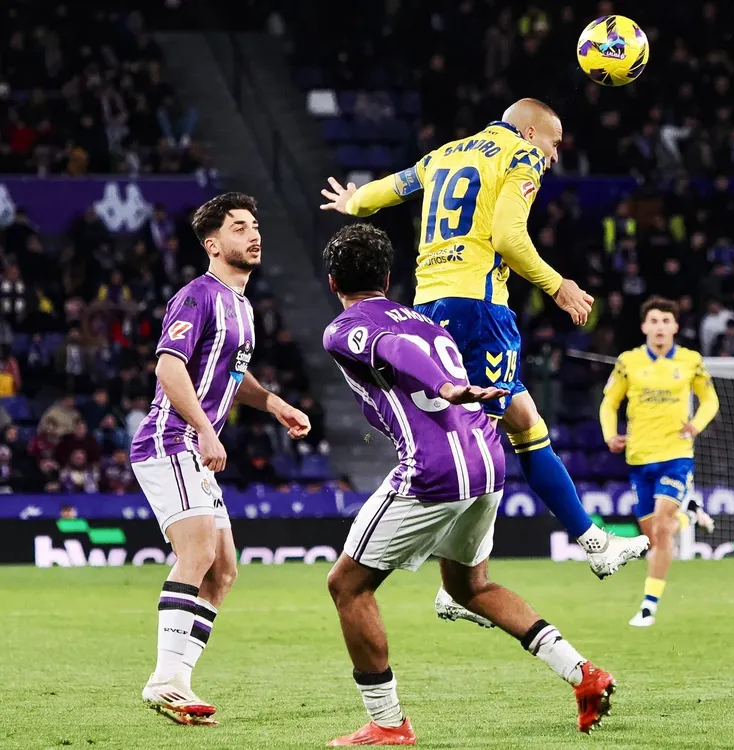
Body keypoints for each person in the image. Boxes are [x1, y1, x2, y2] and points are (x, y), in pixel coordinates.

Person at [319, 98, 649, 602]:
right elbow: (509, 237)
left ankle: (585, 540)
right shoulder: (520, 155)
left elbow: (387, 192)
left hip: (428, 308)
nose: (554, 156)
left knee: (518, 419)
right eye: (554, 143)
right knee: (492, 429)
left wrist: (354, 201)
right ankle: (467, 581)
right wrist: (556, 284)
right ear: (532, 131)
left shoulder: (443, 155)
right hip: (478, 307)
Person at [321, 224, 616, 746]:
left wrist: (446, 385)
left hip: (434, 471)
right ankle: (584, 675)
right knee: (469, 587)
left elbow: (391, 349)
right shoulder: (423, 318)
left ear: (332, 283)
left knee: (347, 585)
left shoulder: (345, 326)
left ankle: (388, 722)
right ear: (389, 278)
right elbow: (406, 344)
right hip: (487, 462)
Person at [129, 193, 311, 724]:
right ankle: (165, 680)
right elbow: (168, 367)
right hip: (171, 438)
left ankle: (178, 684)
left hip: (195, 443)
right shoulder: (197, 295)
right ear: (212, 244)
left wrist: (272, 400)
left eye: (254, 226)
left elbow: (233, 376)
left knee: (223, 570)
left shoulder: (245, 307)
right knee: (200, 553)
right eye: (237, 228)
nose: (252, 235)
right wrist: (207, 429)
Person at [598, 297, 720, 627]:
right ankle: (691, 515)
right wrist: (611, 434)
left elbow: (710, 399)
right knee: (653, 536)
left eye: (666, 321)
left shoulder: (690, 360)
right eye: (654, 321)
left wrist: (696, 425)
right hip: (639, 457)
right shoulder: (628, 362)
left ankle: (649, 605)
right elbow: (609, 403)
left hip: (676, 456)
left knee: (663, 529)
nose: (660, 327)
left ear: (676, 327)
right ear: (644, 327)